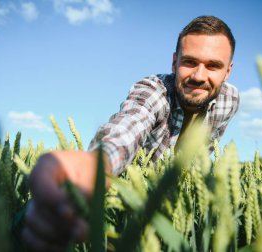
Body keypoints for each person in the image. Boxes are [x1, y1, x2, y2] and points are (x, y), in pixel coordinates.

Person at [22, 15, 240, 251]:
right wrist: (95, 167)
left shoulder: (230, 101)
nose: (198, 76)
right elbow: (128, 127)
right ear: (174, 62)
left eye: (213, 66)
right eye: (189, 62)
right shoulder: (153, 90)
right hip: (132, 205)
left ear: (227, 72)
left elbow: (207, 149)